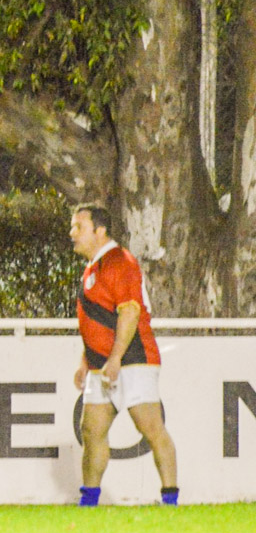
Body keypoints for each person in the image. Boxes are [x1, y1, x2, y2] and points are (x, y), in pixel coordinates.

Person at [69, 204, 178, 506]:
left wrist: (116, 358)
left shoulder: (120, 261)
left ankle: (170, 499)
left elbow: (129, 312)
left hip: (134, 360)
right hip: (101, 365)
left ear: (99, 230)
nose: (72, 233)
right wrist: (84, 362)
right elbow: (96, 321)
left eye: (79, 227)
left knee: (151, 428)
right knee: (91, 430)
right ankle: (88, 501)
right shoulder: (93, 267)